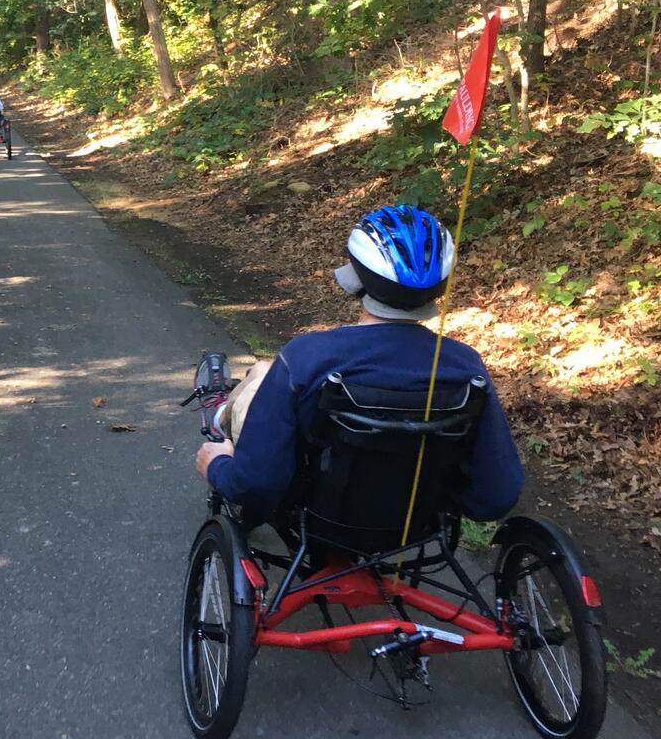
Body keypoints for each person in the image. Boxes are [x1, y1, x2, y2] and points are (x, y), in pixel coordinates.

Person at [196, 205, 524, 522]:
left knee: (263, 375)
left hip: (314, 514)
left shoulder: (307, 356)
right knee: (265, 370)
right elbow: (497, 493)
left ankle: (221, 416)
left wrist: (218, 467)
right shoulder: (464, 365)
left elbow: (257, 484)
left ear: (355, 279)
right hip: (417, 522)